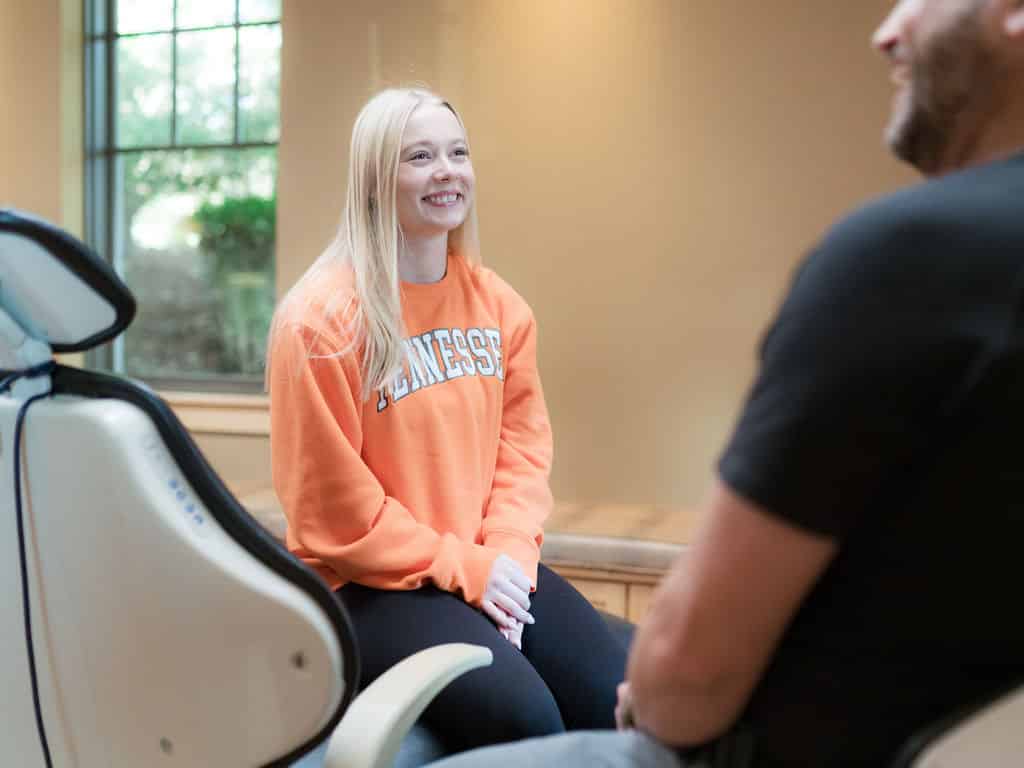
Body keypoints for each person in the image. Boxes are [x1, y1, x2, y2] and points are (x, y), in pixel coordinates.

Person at [425, 0, 1024, 766]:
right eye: (419, 155)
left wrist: (649, 679)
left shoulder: (905, 257)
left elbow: (683, 679)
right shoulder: (325, 316)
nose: (886, 31)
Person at [266, 87, 626, 754]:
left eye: (458, 153)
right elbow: (335, 517)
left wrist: (508, 563)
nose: (446, 171)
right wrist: (467, 569)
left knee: (615, 698)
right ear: (377, 180)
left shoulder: (499, 306)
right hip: (367, 586)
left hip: (482, 558)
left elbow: (520, 455)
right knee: (526, 720)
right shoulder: (321, 323)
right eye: (420, 157)